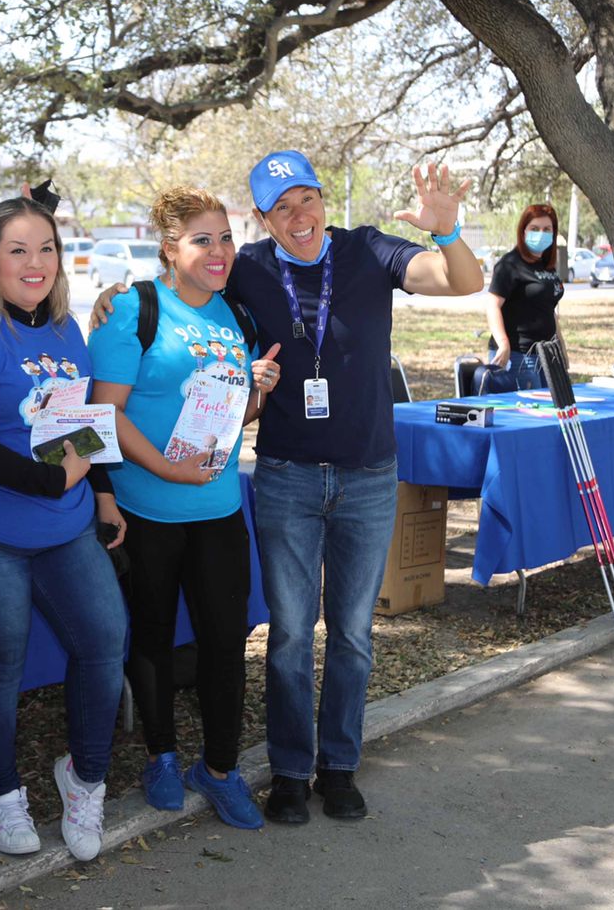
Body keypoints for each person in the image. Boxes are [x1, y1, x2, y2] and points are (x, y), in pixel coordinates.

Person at [93, 151, 481, 824]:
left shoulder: (369, 250)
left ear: (324, 198)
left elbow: (459, 282)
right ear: (263, 218)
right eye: (281, 207)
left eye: (307, 198)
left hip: (366, 475)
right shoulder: (248, 270)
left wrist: (447, 230)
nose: (298, 216)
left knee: (355, 634)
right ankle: (291, 772)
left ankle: (340, 766)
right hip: (285, 478)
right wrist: (121, 298)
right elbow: (184, 278)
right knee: (292, 633)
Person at [0, 195, 128, 862]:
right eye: (18, 249)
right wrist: (50, 480)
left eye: (46, 248)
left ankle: (85, 777)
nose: (35, 262)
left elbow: (83, 426)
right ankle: (1, 794)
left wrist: (100, 493)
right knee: (0, 661)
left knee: (105, 639)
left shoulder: (67, 331)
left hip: (66, 523)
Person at [86, 186, 282, 830]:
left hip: (222, 510)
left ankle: (219, 770)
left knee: (228, 643)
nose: (219, 251)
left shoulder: (237, 318)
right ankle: (163, 757)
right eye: (203, 239)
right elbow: (106, 412)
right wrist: (166, 468)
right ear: (169, 247)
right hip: (147, 512)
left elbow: (232, 418)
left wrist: (258, 392)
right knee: (152, 637)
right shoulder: (134, 310)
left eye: (225, 237)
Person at [484, 203, 565, 390]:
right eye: (534, 229)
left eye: (547, 229)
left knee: (549, 412)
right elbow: (492, 305)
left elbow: (548, 309)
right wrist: (503, 344)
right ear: (523, 231)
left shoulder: (548, 266)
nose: (541, 233)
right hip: (518, 356)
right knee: (528, 415)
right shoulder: (510, 264)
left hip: (547, 355)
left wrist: (561, 347)